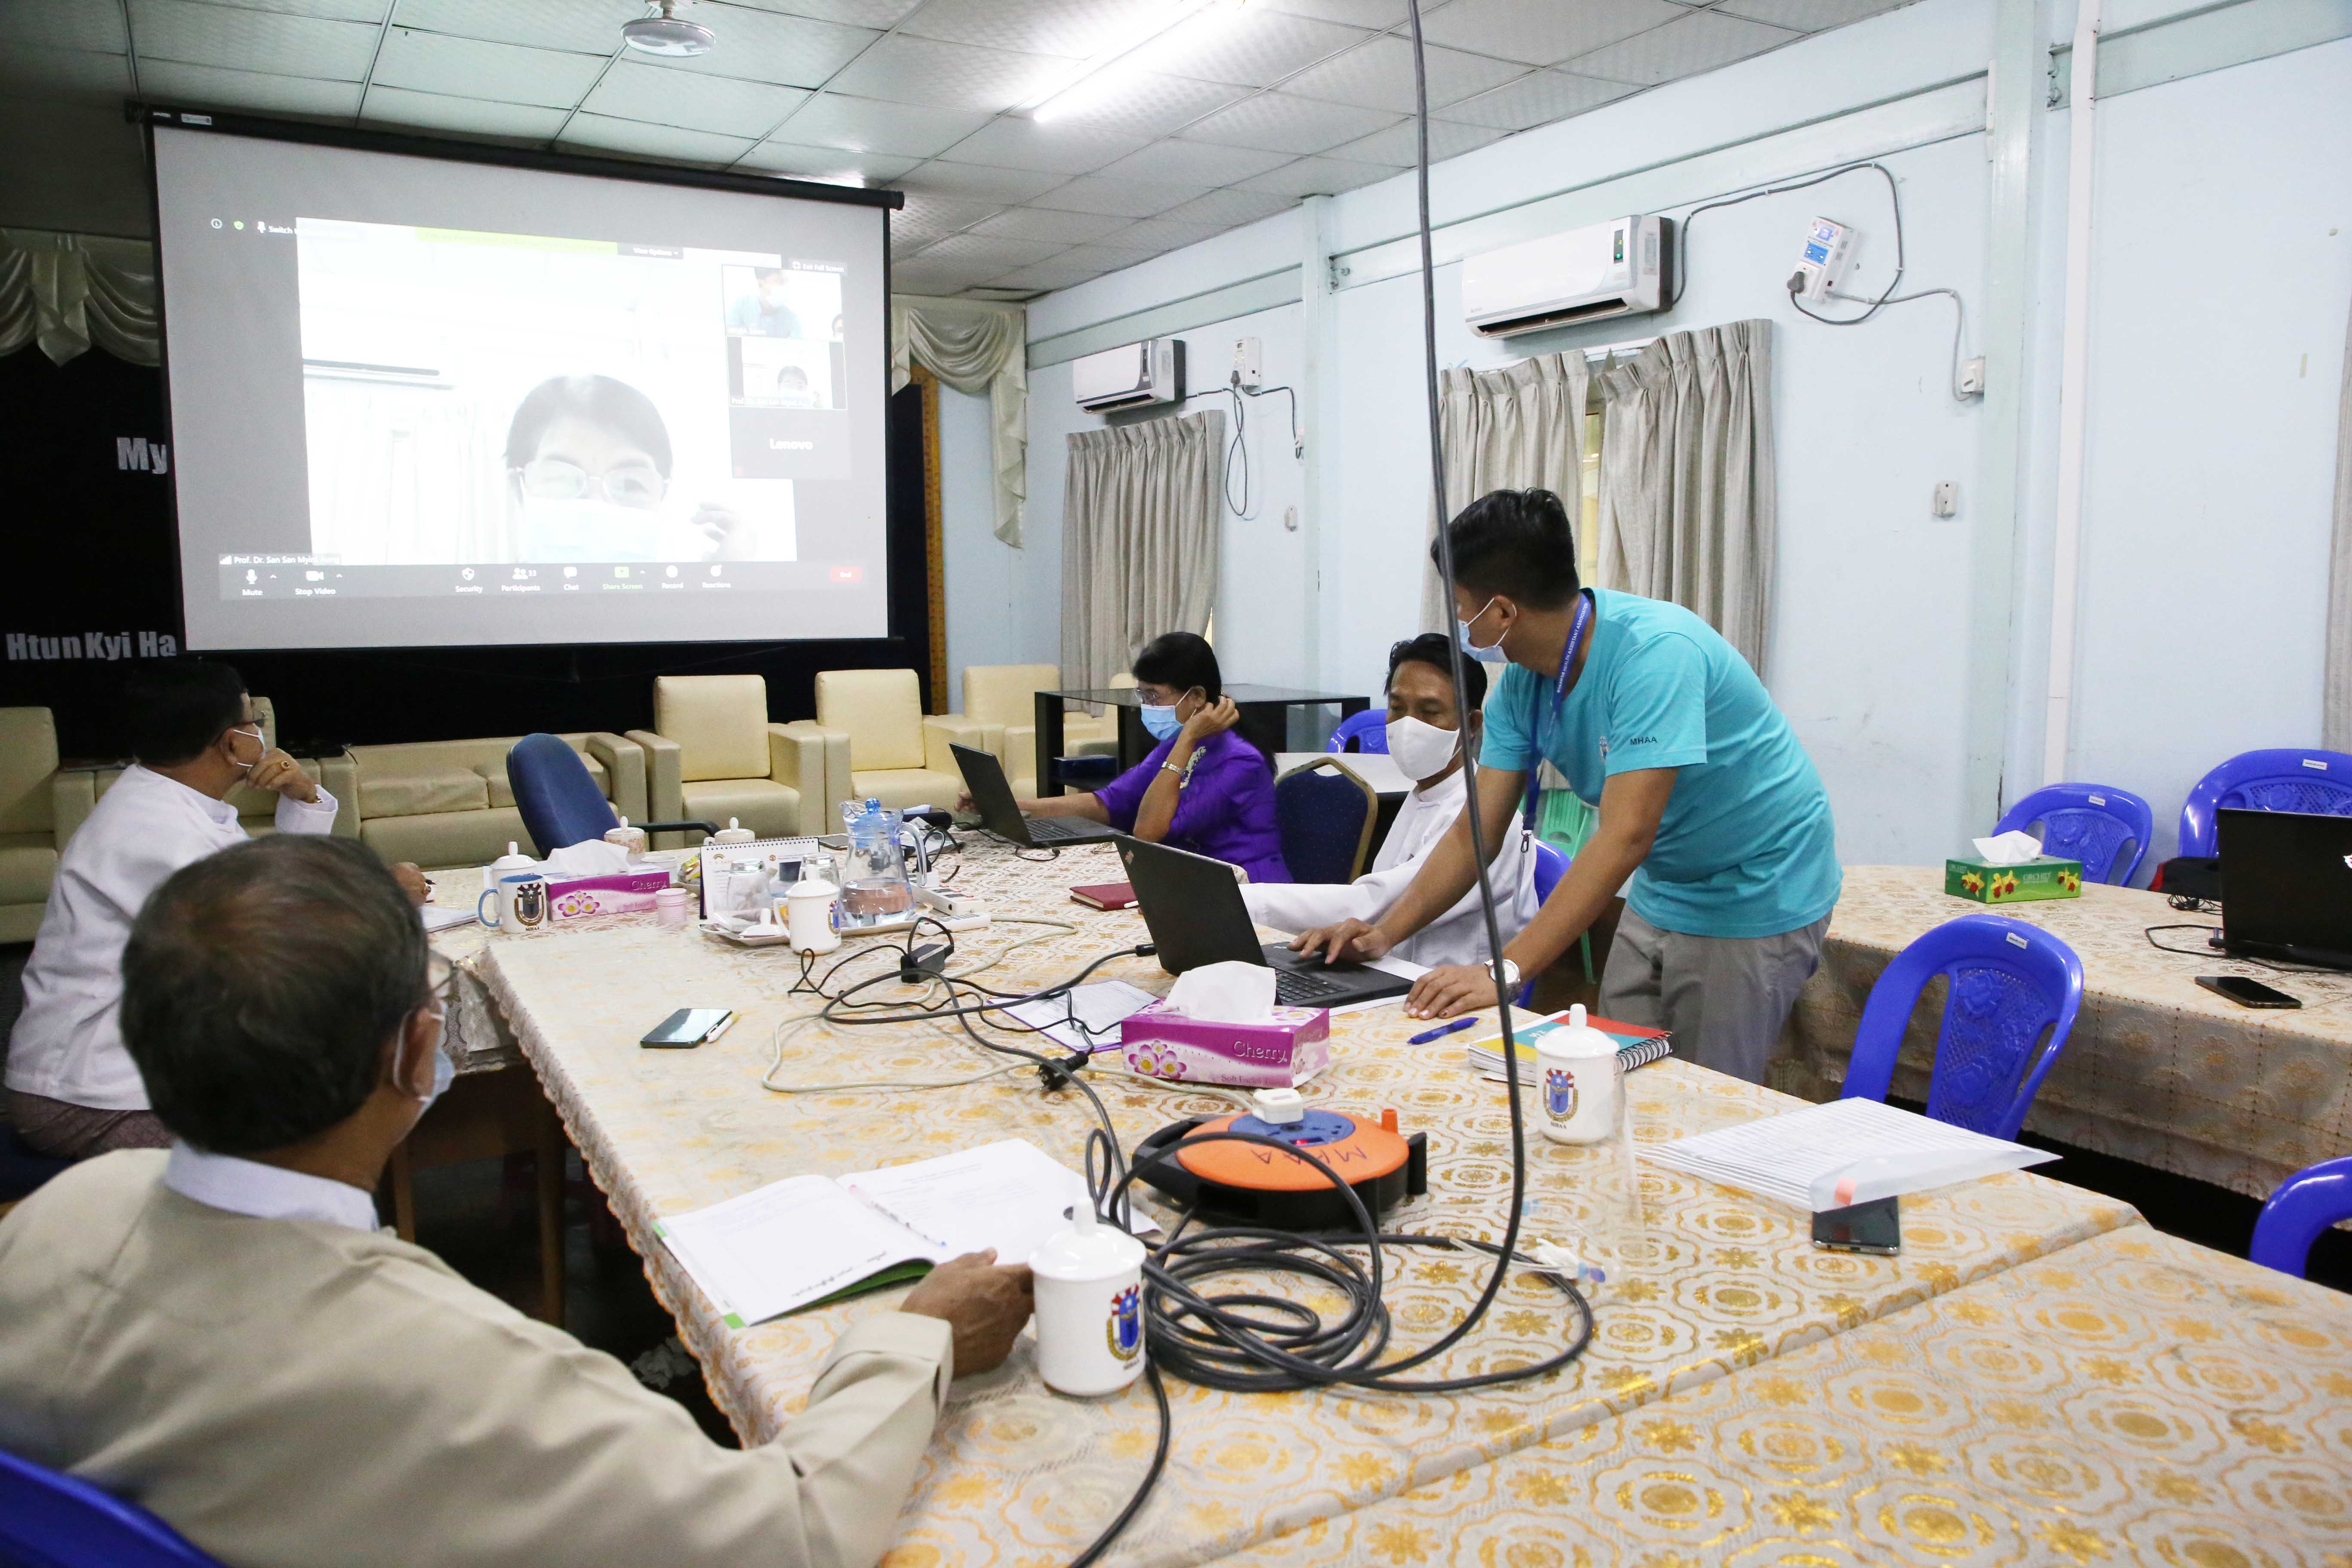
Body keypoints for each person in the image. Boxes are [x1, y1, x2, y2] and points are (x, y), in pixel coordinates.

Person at [0, 835, 1034, 1568]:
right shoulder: (445, 1363)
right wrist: (918, 1339)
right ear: (417, 1049)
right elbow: (797, 1531)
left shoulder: (63, 1213)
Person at [1294, 490, 1841, 1085]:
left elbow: (1625, 834)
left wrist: (1502, 972)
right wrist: (1384, 934)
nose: (1459, 621)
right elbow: (1472, 837)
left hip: (1757, 886)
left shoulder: (1656, 656)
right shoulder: (1522, 688)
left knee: (1707, 1095)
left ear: (1501, 612)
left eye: (1462, 606)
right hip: (1667, 882)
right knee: (1617, 1078)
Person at [5, 661, 426, 1161]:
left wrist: (305, 796)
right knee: (314, 1139)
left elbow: (270, 892)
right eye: (254, 724)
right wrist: (383, 893)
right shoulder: (155, 831)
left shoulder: (168, 803)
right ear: (233, 744)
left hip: (132, 1070)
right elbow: (275, 937)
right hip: (92, 1096)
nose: (260, 737)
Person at [1246, 634, 1540, 968]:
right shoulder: (1423, 795)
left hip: (1453, 991)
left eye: (1430, 712)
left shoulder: (1490, 817)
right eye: (1397, 709)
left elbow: (1375, 903)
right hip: (1392, 971)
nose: (1408, 726)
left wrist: (1245, 900)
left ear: (1471, 724)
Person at [980, 633, 1289, 885]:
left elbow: (1148, 832)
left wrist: (1186, 739)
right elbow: (1109, 802)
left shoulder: (1240, 762)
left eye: (1155, 696)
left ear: (1196, 697)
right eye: (1142, 696)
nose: (1148, 706)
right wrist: (1013, 807)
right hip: (1190, 880)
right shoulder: (1178, 744)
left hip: (1248, 891)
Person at [505, 373, 746, 562]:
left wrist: (725, 591)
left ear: (661, 496)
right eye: (561, 479)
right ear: (519, 488)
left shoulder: (683, 616)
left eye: (630, 484)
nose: (596, 505)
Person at [726, 266, 801, 337]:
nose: (784, 287)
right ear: (760, 284)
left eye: (786, 282)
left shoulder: (791, 318)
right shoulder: (741, 306)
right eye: (780, 281)